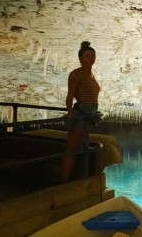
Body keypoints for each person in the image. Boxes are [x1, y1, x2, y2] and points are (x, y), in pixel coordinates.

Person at [61, 41, 102, 183]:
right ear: (80, 59)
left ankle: (77, 176)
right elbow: (70, 95)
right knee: (71, 149)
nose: (90, 58)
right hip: (80, 113)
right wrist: (70, 111)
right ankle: (63, 180)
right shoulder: (76, 74)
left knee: (83, 147)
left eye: (92, 55)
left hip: (89, 115)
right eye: (87, 56)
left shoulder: (91, 75)